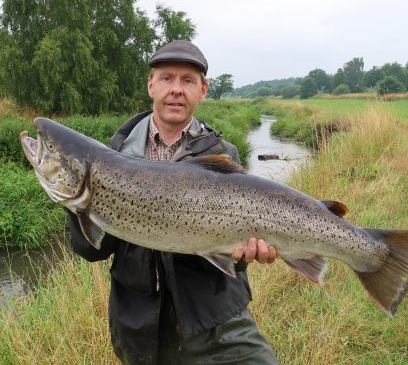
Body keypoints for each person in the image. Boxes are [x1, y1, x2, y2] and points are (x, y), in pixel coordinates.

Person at [68, 40, 278, 364]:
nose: (176, 90)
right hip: (141, 329)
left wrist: (244, 255)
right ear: (151, 84)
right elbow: (91, 250)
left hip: (216, 322)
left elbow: (234, 256)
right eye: (167, 78)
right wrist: (80, 198)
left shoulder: (222, 155)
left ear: (203, 90)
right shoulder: (113, 157)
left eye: (187, 81)